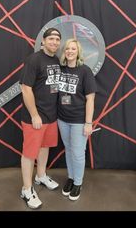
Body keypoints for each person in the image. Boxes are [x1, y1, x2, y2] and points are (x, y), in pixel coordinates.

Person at [19, 28, 61, 209]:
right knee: (29, 153)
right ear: (43, 41)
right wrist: (34, 114)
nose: (54, 42)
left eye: (57, 39)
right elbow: (25, 88)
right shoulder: (33, 60)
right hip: (35, 117)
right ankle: (27, 190)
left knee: (45, 147)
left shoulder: (56, 60)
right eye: (51, 38)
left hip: (51, 116)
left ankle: (41, 175)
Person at [57, 38, 97, 201]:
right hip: (62, 119)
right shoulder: (60, 69)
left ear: (78, 52)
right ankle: (71, 178)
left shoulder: (85, 71)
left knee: (78, 153)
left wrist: (88, 123)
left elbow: (91, 99)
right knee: (68, 149)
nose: (70, 51)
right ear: (64, 52)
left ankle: (78, 183)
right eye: (67, 49)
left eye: (73, 49)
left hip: (79, 120)